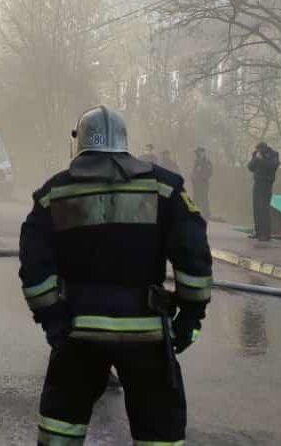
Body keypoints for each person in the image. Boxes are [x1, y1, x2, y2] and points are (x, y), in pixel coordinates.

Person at [20, 106, 212, 445]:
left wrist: (53, 320)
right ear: (125, 142)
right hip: (147, 333)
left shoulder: (55, 193)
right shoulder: (164, 188)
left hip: (78, 333)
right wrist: (190, 318)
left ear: (79, 143)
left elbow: (35, 268)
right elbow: (194, 257)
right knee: (158, 430)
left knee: (61, 423)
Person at [247, 142, 280, 241]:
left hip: (267, 183)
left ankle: (265, 234)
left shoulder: (273, 154)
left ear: (264, 149)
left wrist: (260, 160)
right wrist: (256, 158)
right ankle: (258, 231)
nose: (258, 151)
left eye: (259, 149)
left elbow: (272, 166)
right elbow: (250, 167)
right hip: (257, 183)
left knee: (264, 208)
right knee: (256, 208)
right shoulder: (256, 154)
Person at [192, 147, 213, 219]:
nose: (197, 154)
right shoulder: (196, 161)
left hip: (203, 184)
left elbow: (210, 173)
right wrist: (193, 177)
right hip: (196, 184)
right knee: (196, 197)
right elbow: (194, 171)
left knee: (204, 198)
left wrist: (201, 177)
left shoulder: (207, 161)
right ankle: (195, 213)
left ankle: (206, 214)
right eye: (196, 153)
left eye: (198, 152)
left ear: (203, 152)